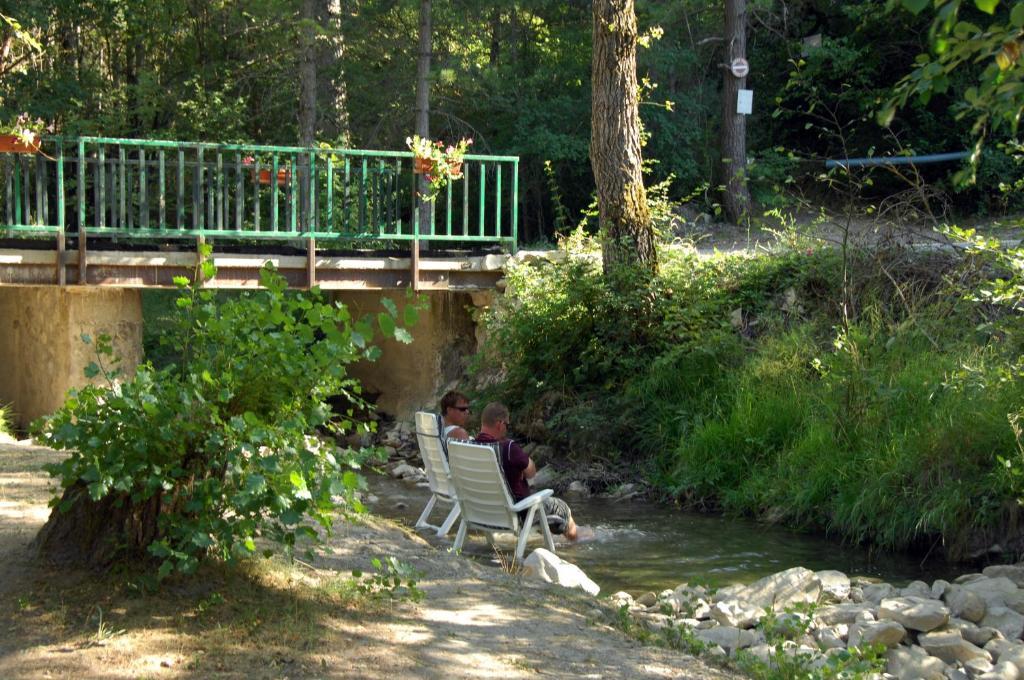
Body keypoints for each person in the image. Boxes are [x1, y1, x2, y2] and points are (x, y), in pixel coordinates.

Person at [473, 402, 579, 541]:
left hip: (480, 512)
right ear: (500, 424)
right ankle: (578, 543)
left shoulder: (467, 447)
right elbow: (531, 472)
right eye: (507, 425)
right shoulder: (509, 448)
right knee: (562, 508)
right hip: (518, 513)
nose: (507, 429)